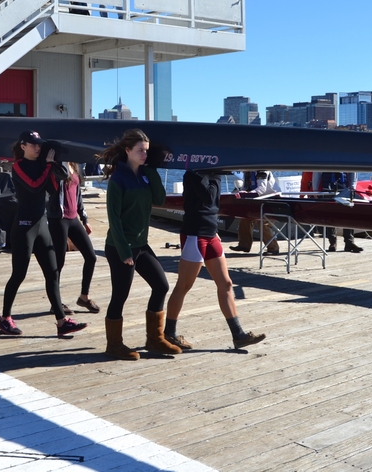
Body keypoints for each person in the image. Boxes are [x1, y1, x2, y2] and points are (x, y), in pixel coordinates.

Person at [100, 129, 181, 360]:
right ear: (127, 151)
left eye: (146, 151)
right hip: (119, 246)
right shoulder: (118, 179)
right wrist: (125, 250)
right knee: (120, 295)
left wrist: (152, 170)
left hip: (141, 244)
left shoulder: (145, 174)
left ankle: (155, 340)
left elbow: (160, 199)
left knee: (161, 285)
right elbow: (113, 219)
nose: (144, 154)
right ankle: (114, 344)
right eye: (140, 151)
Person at [0, 131, 87, 337]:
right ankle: (5, 319)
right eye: (33, 145)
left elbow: (52, 189)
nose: (37, 148)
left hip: (41, 225)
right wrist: (47, 166)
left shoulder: (41, 165)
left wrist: (55, 166)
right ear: (23, 146)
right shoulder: (18, 166)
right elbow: (35, 186)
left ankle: (62, 322)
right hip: (24, 226)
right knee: (19, 274)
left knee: (53, 274)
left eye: (39, 145)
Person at [165, 170, 266, 350]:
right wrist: (217, 174)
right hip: (195, 234)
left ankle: (238, 335)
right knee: (184, 285)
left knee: (226, 284)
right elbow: (209, 197)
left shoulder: (212, 175)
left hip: (211, 234)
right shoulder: (194, 174)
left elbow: (214, 204)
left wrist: (217, 174)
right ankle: (169, 333)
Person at [47, 161, 99, 315]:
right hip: (58, 219)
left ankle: (84, 297)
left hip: (73, 219)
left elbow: (78, 193)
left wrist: (85, 219)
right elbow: (57, 181)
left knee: (91, 257)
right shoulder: (55, 166)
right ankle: (55, 304)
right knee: (58, 263)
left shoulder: (74, 165)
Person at [229, 170, 280, 255]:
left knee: (262, 222)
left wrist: (248, 193)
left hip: (272, 200)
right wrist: (240, 192)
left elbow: (261, 189)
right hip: (258, 200)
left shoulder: (262, 171)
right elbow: (246, 187)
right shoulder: (247, 173)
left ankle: (273, 248)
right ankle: (244, 245)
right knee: (245, 218)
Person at [313, 171, 363, 253]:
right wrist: (315, 189)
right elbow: (317, 171)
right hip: (328, 189)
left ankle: (349, 242)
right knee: (330, 216)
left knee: (348, 215)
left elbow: (353, 170)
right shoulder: (323, 158)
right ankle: (332, 242)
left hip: (344, 189)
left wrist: (353, 186)